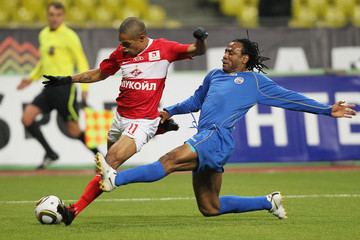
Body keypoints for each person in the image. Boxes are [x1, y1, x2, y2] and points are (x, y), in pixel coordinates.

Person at [93, 38, 357, 220]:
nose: (225, 54)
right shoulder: (214, 76)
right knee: (210, 207)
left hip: (216, 137)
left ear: (244, 58)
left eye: (231, 52)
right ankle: (268, 201)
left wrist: (325, 110)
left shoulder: (255, 82)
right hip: (207, 137)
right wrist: (170, 110)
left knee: (169, 160)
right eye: (225, 51)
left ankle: (115, 179)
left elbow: (291, 99)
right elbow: (196, 101)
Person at [43, 17, 208, 225]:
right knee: (105, 171)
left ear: (141, 38)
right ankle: (161, 127)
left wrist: (201, 40)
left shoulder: (164, 49)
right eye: (121, 43)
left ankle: (73, 211)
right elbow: (99, 74)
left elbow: (197, 50)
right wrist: (67, 79)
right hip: (120, 118)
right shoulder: (121, 53)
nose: (123, 48)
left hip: (142, 121)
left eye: (127, 44)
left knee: (109, 162)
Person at [16, 1, 98, 170]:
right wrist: (31, 78)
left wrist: (84, 88)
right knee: (27, 118)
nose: (54, 19)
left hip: (65, 89)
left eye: (58, 15)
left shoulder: (69, 36)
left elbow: (81, 61)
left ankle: (102, 158)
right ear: (47, 16)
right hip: (48, 88)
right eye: (51, 15)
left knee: (74, 130)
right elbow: (43, 62)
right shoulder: (43, 34)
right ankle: (50, 153)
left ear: (63, 16)